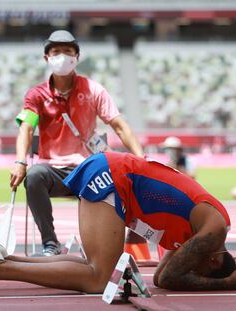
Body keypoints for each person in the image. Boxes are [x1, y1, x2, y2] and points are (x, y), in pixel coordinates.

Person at [0, 152, 236, 296]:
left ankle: (3, 258)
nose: (190, 266)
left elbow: (160, 276)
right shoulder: (214, 229)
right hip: (115, 176)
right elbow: (170, 278)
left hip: (113, 174)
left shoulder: (198, 234)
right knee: (99, 278)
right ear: (211, 259)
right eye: (198, 267)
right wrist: (226, 283)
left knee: (91, 264)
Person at [10, 30, 144, 256]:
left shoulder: (93, 90)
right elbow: (27, 128)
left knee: (122, 178)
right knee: (34, 176)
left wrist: (141, 159)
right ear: (47, 58)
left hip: (88, 169)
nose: (62, 56)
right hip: (53, 170)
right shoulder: (36, 95)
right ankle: (50, 245)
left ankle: (113, 244)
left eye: (68, 51)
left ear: (76, 57)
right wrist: (20, 162)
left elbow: (118, 124)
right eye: (56, 52)